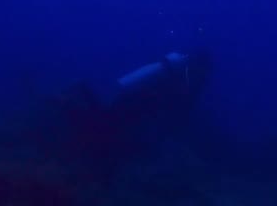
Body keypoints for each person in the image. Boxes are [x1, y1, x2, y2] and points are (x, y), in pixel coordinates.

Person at [50, 49, 214, 164]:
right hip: (136, 103)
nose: (204, 74)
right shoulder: (184, 78)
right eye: (205, 69)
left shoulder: (178, 71)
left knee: (106, 120)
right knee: (105, 122)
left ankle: (77, 95)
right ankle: (79, 92)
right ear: (200, 65)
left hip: (135, 99)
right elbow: (179, 106)